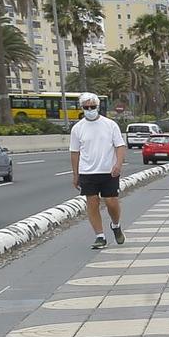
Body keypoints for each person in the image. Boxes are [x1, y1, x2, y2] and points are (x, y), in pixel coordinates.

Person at [67, 92, 126, 248]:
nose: (90, 109)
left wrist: (118, 165)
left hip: (109, 171)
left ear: (98, 107)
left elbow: (120, 146)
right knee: (92, 202)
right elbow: (74, 152)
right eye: (86, 107)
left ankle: (116, 225)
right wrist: (75, 174)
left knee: (111, 202)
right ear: (82, 108)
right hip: (87, 172)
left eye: (93, 107)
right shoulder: (77, 129)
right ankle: (100, 236)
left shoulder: (110, 125)